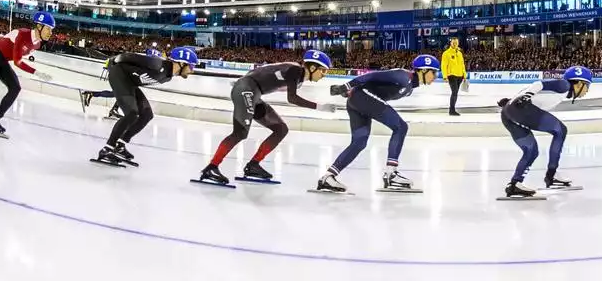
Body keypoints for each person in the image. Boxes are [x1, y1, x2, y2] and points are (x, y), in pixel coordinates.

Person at [198, 50, 335, 184]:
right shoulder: (296, 71)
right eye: (323, 70)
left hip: (253, 92)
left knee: (281, 129)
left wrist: (246, 79)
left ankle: (254, 165)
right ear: (312, 67)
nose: (324, 75)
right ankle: (211, 168)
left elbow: (267, 69)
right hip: (247, 89)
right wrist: (320, 107)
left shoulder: (298, 76)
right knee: (240, 133)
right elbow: (292, 99)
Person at [316, 54, 439, 193]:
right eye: (433, 72)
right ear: (422, 71)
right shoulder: (403, 77)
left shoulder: (410, 87)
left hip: (357, 99)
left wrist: (351, 92)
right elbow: (372, 76)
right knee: (401, 127)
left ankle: (328, 176)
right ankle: (391, 173)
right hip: (361, 97)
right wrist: (346, 86)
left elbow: (377, 87)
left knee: (359, 142)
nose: (435, 76)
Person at [93, 45, 198, 166]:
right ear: (181, 63)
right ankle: (107, 149)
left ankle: (120, 145)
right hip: (119, 75)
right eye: (191, 66)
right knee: (131, 113)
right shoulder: (157, 64)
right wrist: (112, 61)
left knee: (147, 115)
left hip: (129, 82)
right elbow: (129, 56)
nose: (192, 70)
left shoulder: (168, 76)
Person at [498, 65, 592, 198]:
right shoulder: (564, 85)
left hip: (507, 113)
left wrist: (515, 100)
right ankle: (551, 175)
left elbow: (532, 94)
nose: (587, 90)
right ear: (579, 83)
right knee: (560, 130)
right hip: (521, 110)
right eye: (587, 85)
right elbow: (538, 84)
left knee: (531, 151)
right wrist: (525, 97)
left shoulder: (559, 92)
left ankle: (514, 184)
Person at [441, 38, 467, 116]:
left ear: (458, 43)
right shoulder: (446, 53)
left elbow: (462, 65)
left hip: (460, 76)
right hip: (451, 75)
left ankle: (452, 109)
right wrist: (445, 76)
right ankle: (451, 110)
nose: (455, 44)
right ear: (450, 43)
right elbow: (443, 65)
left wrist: (464, 74)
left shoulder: (460, 53)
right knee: (454, 92)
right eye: (453, 42)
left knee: (455, 93)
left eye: (456, 42)